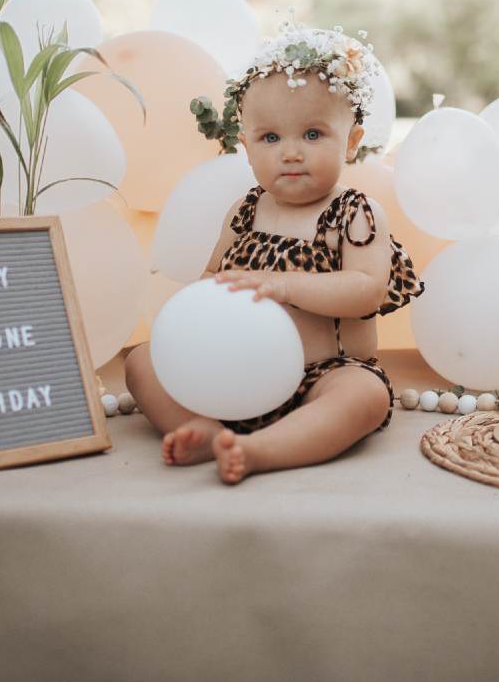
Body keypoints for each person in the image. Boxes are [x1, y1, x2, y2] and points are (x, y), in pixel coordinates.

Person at [125, 24, 423, 484]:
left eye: (312, 134)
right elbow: (212, 275)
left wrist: (285, 285)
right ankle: (200, 428)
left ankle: (260, 449)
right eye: (270, 139)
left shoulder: (354, 213)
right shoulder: (243, 212)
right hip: (238, 368)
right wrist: (193, 323)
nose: (291, 153)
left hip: (324, 372)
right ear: (246, 147)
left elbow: (366, 290)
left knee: (364, 396)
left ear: (351, 141)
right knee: (143, 361)